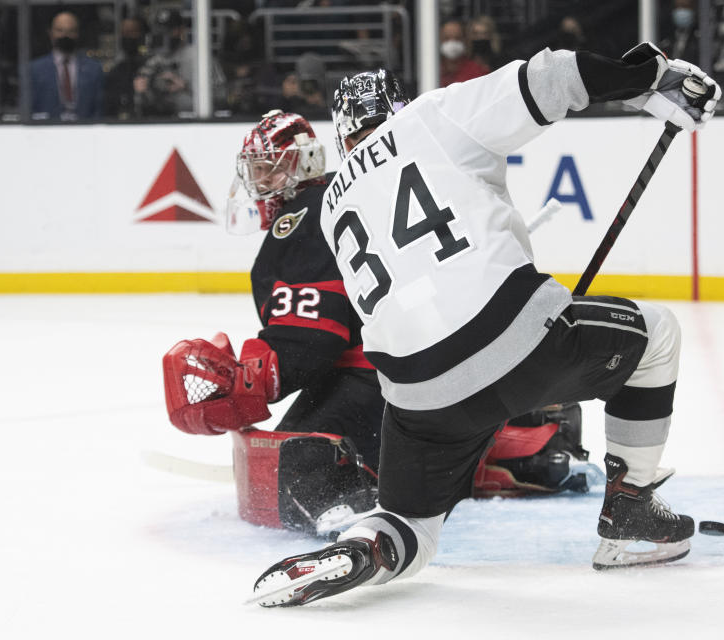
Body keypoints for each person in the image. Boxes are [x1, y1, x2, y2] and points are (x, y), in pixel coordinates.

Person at [250, 42, 720, 606]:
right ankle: (632, 511)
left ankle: (363, 549)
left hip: (413, 395)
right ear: (397, 108)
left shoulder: (331, 206)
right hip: (513, 341)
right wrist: (651, 77)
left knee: (411, 525)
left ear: (343, 134)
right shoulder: (430, 117)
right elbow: (552, 77)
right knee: (658, 333)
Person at [162, 110, 595, 535]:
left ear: (304, 164)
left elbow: (311, 341)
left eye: (268, 171)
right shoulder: (365, 191)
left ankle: (354, 513)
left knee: (294, 463)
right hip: (453, 354)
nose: (260, 185)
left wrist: (254, 379)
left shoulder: (301, 218)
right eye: (256, 172)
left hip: (386, 375)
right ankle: (508, 443)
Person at [135, 8, 227, 117]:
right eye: (160, 30)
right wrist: (141, 91)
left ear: (181, 30)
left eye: (170, 30)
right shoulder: (152, 60)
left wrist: (185, 86)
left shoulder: (199, 56)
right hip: (161, 121)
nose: (165, 34)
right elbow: (142, 103)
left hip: (196, 119)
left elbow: (222, 96)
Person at [29, 11, 104, 120]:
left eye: (71, 31)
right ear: (50, 33)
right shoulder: (34, 70)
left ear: (78, 33)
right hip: (46, 132)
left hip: (86, 132)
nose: (65, 35)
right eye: (60, 30)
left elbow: (99, 109)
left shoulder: (94, 69)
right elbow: (29, 109)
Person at [104, 17, 148, 120]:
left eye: (132, 32)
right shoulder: (116, 72)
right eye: (124, 33)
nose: (128, 37)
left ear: (141, 34)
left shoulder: (153, 65)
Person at [439, 18, 489, 86]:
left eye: (457, 38)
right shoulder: (432, 70)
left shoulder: (476, 71)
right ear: (440, 39)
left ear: (465, 40)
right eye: (447, 38)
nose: (452, 42)